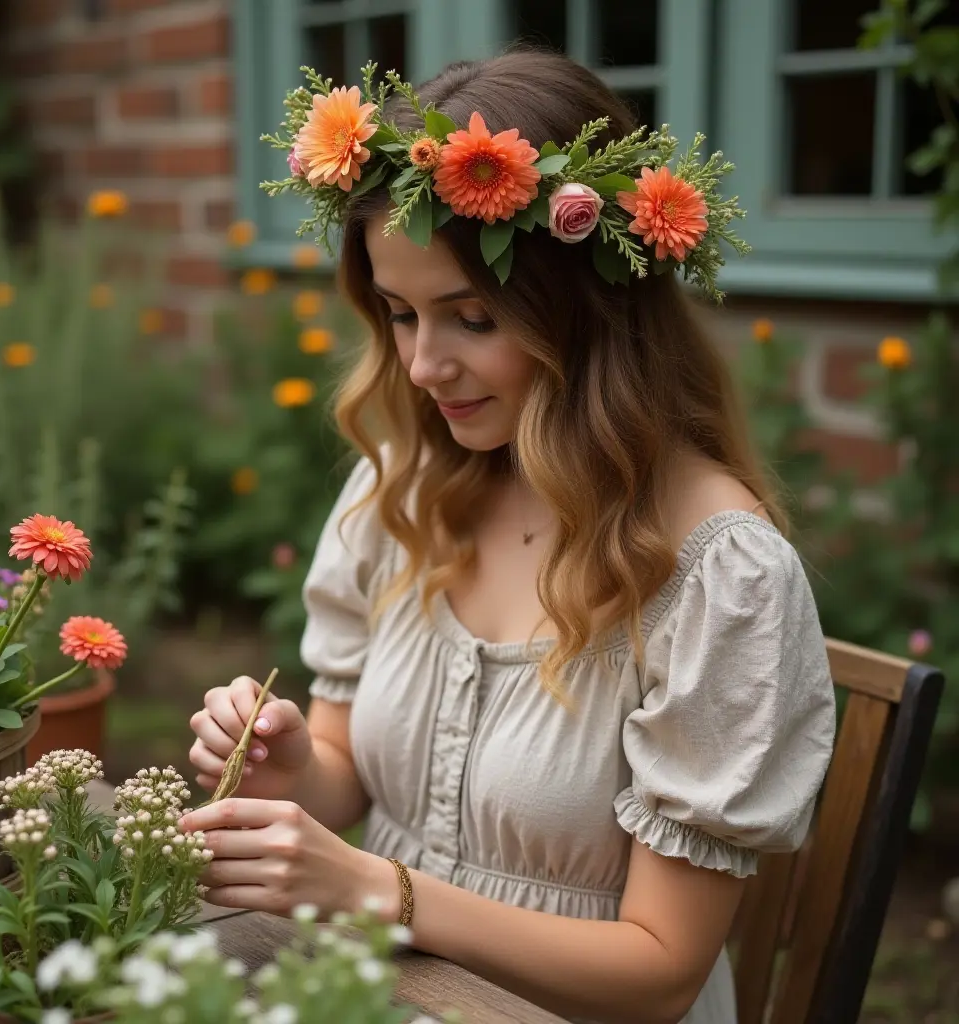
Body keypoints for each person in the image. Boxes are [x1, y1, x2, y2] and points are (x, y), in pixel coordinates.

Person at [178, 48, 837, 1024]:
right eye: (399, 314)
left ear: (591, 311)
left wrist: (381, 892)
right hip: (370, 987)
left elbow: (660, 973)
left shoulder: (716, 572)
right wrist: (288, 768)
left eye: (471, 316)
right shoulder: (400, 490)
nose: (422, 365)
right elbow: (342, 768)